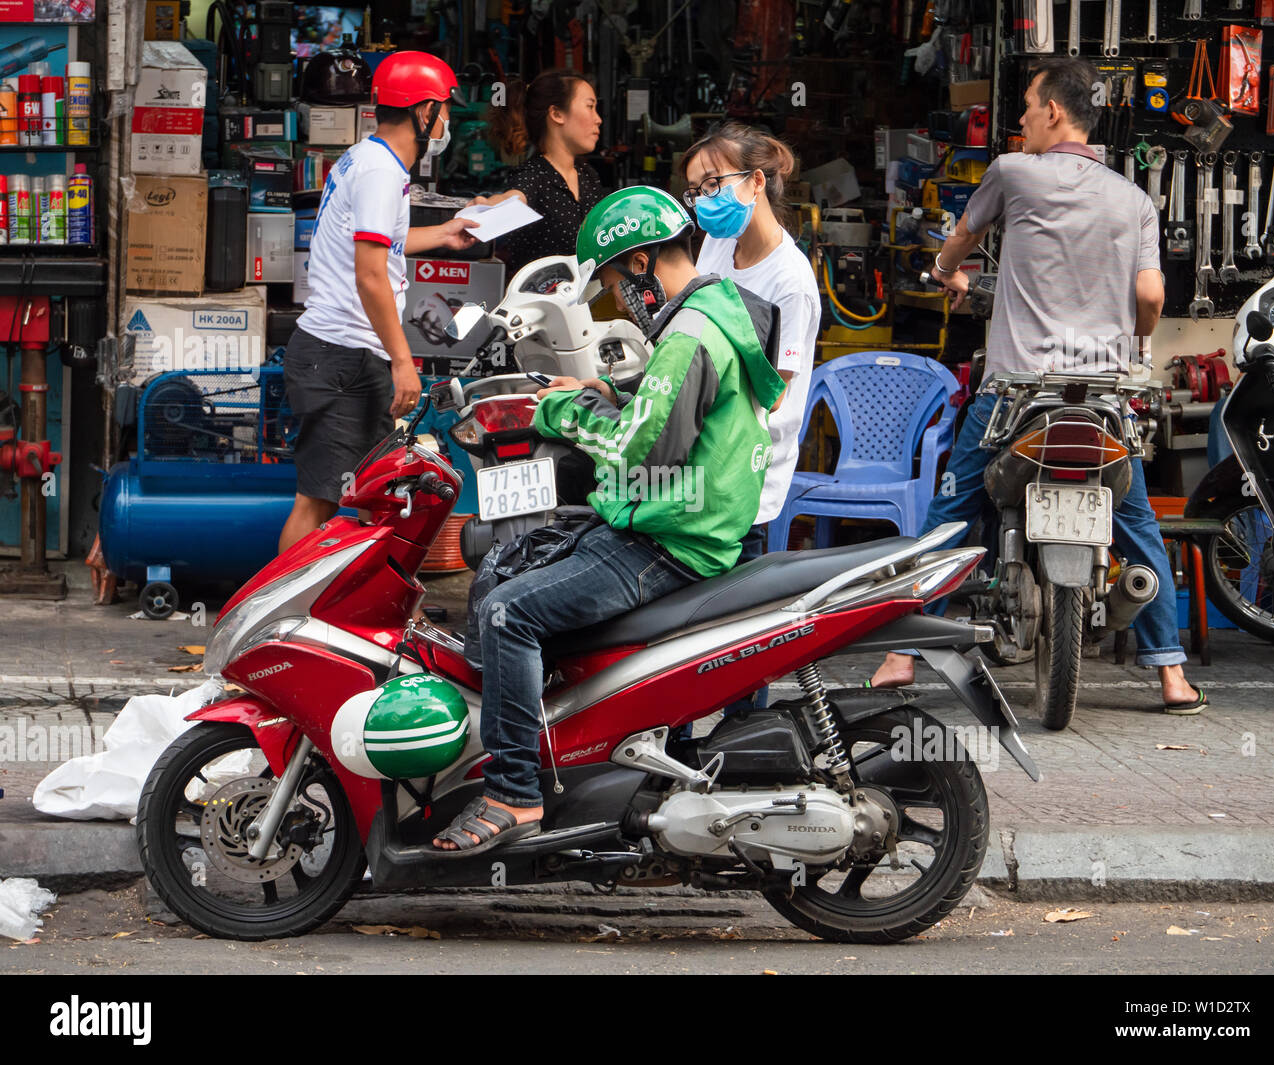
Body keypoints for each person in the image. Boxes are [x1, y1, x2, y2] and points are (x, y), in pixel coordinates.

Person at [431, 186, 788, 854]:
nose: (618, 299)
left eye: (617, 281)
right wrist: (607, 390)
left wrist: (557, 412)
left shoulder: (688, 337)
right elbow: (672, 408)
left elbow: (638, 449)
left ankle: (513, 791)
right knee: (515, 564)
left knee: (511, 610)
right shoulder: (711, 312)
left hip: (669, 538)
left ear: (644, 263)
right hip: (671, 520)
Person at [868, 56, 1206, 715]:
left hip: (1014, 396)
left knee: (952, 508)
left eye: (1026, 106)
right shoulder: (1135, 201)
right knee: (1135, 522)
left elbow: (962, 241)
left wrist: (944, 269)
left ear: (1054, 111)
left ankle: (902, 653)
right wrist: (1136, 342)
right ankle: (1172, 677)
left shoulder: (1012, 173)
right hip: (1101, 398)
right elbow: (1149, 292)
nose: (1019, 120)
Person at [278, 51, 480, 553]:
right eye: (446, 110)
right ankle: (275, 618)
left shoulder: (368, 158)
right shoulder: (380, 173)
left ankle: (378, 614)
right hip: (341, 356)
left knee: (378, 498)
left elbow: (379, 243)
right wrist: (404, 362)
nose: (448, 122)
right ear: (423, 112)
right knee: (319, 501)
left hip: (342, 355)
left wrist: (444, 233)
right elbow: (371, 277)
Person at [681, 123, 820, 561]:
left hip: (747, 471)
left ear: (756, 181)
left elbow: (775, 393)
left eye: (713, 184)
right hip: (702, 453)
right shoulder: (719, 244)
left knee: (732, 612)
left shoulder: (791, 282)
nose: (705, 200)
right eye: (696, 191)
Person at [478, 70, 604, 272]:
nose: (598, 119)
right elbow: (515, 198)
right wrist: (488, 206)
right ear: (556, 114)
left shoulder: (588, 176)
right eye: (590, 106)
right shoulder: (533, 175)